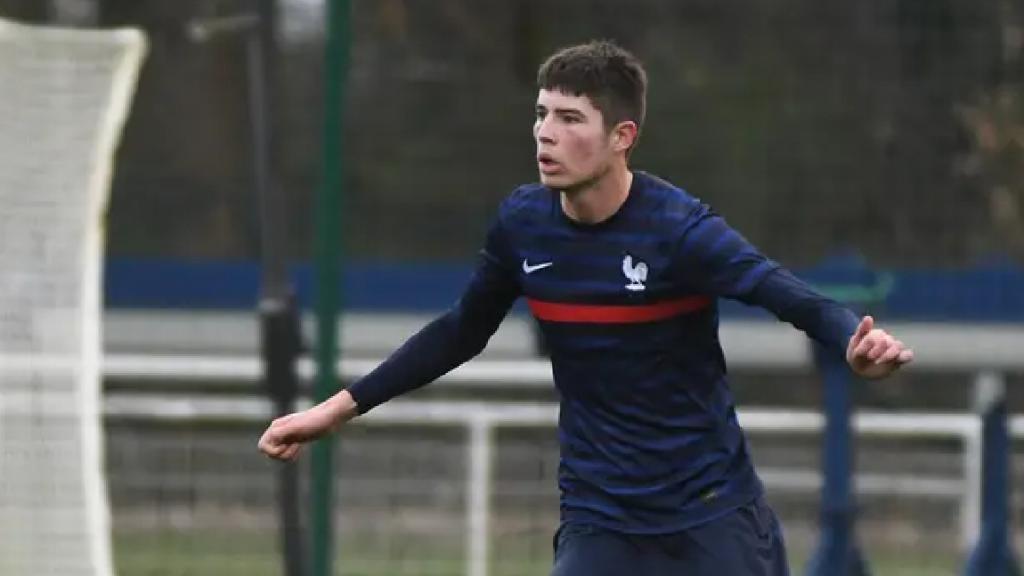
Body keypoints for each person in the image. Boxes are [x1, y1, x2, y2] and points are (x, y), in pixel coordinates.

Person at [259, 40, 913, 576]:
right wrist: (334, 410)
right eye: (542, 114)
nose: (545, 133)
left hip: (710, 518)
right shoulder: (523, 225)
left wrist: (851, 341)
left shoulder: (680, 231)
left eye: (570, 120)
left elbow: (782, 291)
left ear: (621, 136)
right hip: (599, 522)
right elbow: (460, 331)